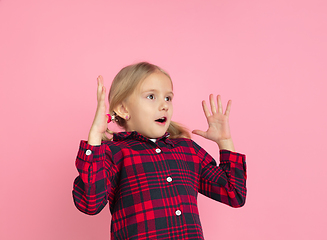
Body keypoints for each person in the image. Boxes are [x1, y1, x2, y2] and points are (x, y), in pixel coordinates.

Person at [72, 62, 247, 240]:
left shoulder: (187, 150)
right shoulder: (114, 153)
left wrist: (225, 142)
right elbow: (90, 203)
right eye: (151, 96)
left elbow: (234, 194)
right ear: (123, 109)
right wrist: (94, 139)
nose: (164, 105)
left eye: (168, 98)